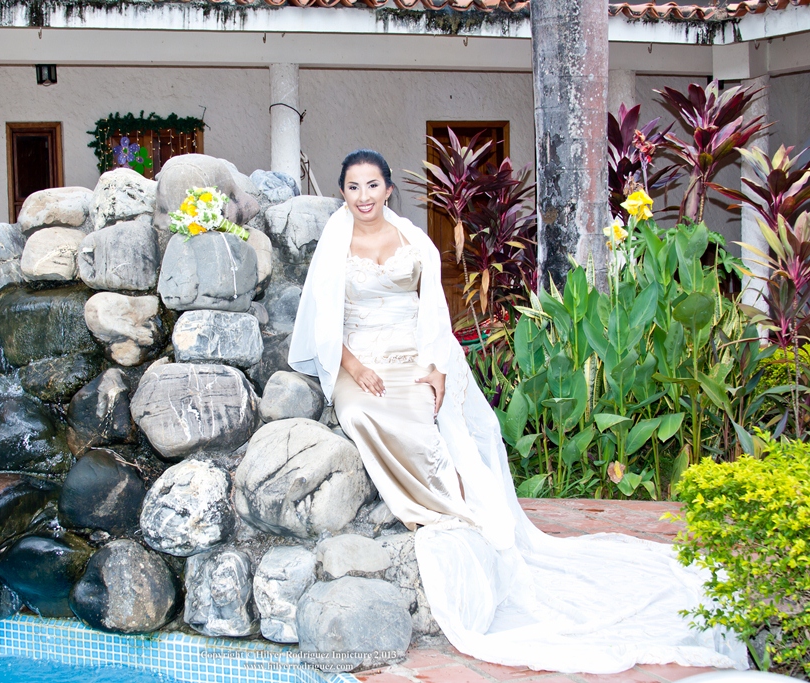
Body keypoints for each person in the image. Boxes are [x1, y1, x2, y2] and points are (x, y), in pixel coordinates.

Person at [288, 149, 748, 674]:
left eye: (372, 185)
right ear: (343, 192)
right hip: (359, 357)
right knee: (358, 414)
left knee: (420, 416)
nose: (363, 196)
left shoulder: (413, 239)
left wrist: (437, 366)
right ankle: (435, 508)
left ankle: (450, 503)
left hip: (411, 352)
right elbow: (325, 322)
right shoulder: (336, 240)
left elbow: (433, 311)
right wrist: (354, 368)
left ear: (388, 189)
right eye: (353, 187)